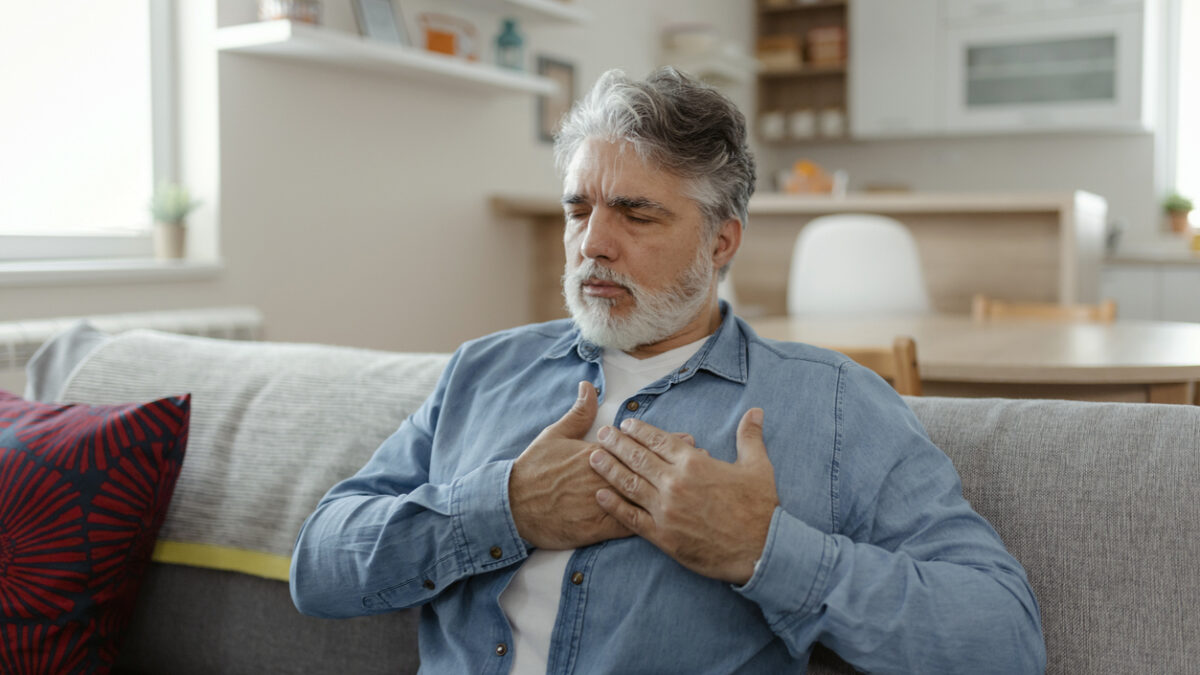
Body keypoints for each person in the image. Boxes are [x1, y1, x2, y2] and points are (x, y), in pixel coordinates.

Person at [290, 67, 1046, 673]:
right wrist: (503, 509)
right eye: (577, 210)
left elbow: (1003, 642)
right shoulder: (482, 371)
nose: (593, 243)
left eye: (637, 214)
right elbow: (318, 566)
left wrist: (763, 551)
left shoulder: (835, 404)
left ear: (722, 242)